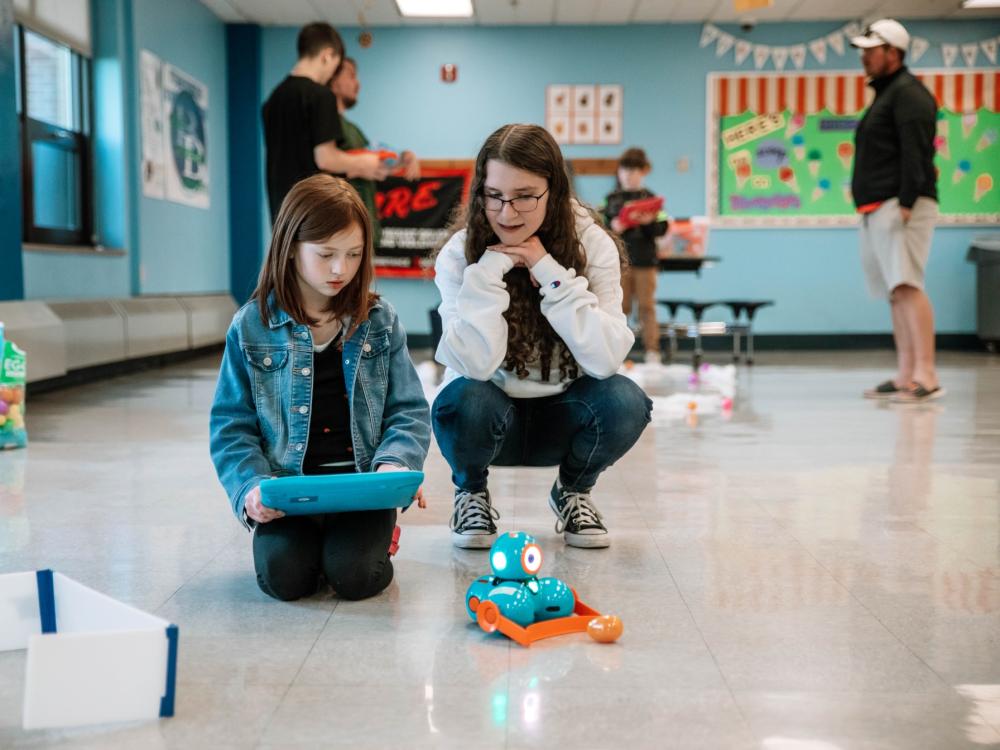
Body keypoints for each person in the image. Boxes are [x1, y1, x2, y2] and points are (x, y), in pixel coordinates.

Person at [432, 124, 653, 550]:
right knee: (463, 398)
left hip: (565, 414)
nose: (507, 213)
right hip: (491, 418)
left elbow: (605, 359)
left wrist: (549, 272)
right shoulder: (461, 254)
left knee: (626, 401)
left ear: (554, 191)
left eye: (525, 196)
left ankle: (572, 491)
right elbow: (475, 365)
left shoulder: (593, 245)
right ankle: (471, 492)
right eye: (494, 195)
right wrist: (488, 274)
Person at [210, 174, 431, 601]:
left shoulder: (379, 320)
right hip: (290, 492)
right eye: (326, 254)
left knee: (355, 577)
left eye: (353, 254)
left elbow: (408, 411)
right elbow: (230, 426)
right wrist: (250, 487)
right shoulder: (251, 325)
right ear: (291, 248)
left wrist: (396, 466)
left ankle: (368, 539)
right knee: (283, 579)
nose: (340, 269)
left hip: (362, 491)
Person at [850, 19, 943, 403]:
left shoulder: (909, 94)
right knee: (895, 291)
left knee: (908, 285)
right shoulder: (887, 94)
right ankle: (906, 374)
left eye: (872, 50)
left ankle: (927, 374)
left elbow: (916, 151)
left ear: (894, 53)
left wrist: (906, 202)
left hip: (901, 206)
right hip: (877, 207)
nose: (865, 58)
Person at [261, 23, 389, 221]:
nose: (331, 75)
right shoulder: (321, 96)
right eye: (335, 66)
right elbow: (326, 158)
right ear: (327, 55)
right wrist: (363, 162)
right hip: (312, 211)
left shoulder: (273, 100)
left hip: (281, 212)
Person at [330, 56, 421, 246]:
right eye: (351, 75)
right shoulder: (328, 128)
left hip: (362, 231)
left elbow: (380, 155)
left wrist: (404, 156)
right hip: (341, 231)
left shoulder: (353, 130)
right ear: (333, 78)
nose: (358, 84)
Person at [603, 148, 669, 364]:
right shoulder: (611, 199)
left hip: (645, 261)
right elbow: (598, 230)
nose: (629, 175)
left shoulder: (651, 198)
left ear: (643, 172)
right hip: (618, 262)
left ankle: (652, 351)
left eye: (634, 170)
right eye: (625, 170)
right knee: (619, 307)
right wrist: (613, 227)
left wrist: (649, 223)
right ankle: (617, 353)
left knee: (647, 306)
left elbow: (663, 228)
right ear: (619, 172)